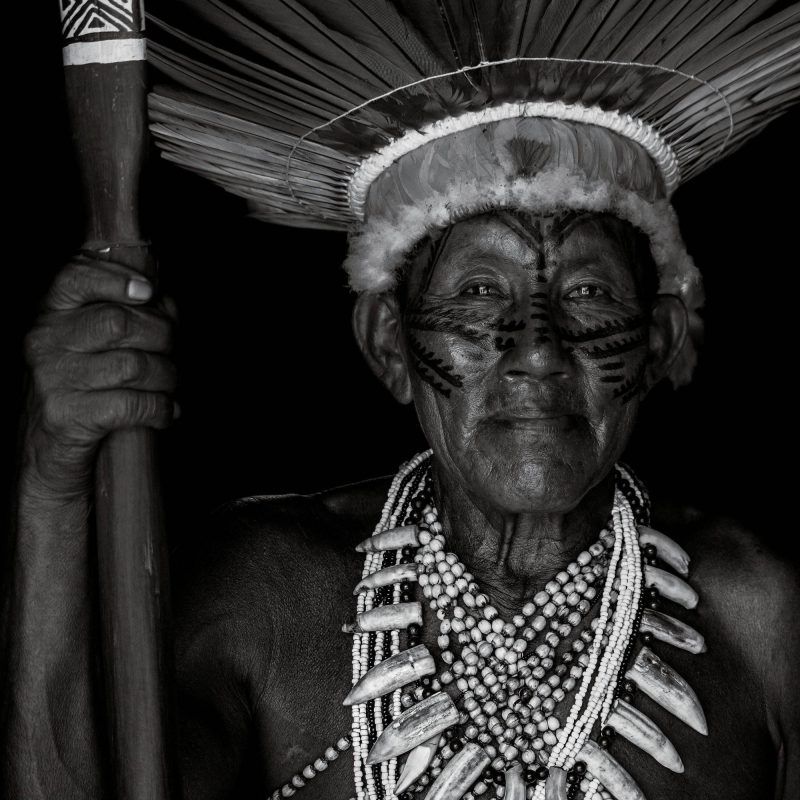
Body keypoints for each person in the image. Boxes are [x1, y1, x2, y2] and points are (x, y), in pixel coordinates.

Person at [4, 2, 800, 800]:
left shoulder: (757, 620)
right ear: (389, 343)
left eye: (588, 292)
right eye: (480, 291)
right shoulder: (268, 598)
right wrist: (55, 481)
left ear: (658, 338)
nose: (535, 349)